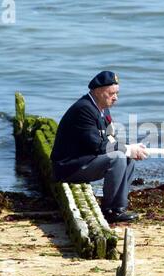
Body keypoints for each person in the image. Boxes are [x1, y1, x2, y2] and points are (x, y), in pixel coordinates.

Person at [50, 71, 148, 223]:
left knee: (128, 159)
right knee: (117, 158)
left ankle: (119, 208)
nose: (116, 98)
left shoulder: (102, 108)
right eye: (111, 93)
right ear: (97, 91)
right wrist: (127, 149)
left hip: (86, 160)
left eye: (117, 93)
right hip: (69, 167)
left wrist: (130, 148)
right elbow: (98, 146)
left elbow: (109, 139)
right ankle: (109, 210)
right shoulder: (84, 109)